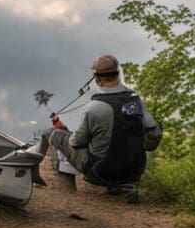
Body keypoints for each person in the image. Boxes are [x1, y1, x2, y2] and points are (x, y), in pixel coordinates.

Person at [26, 54, 162, 187]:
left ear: (97, 78)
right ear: (118, 74)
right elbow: (155, 134)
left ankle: (33, 169)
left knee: (50, 133)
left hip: (100, 172)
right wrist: (139, 147)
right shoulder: (135, 101)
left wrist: (68, 131)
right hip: (134, 170)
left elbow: (77, 142)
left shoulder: (93, 108)